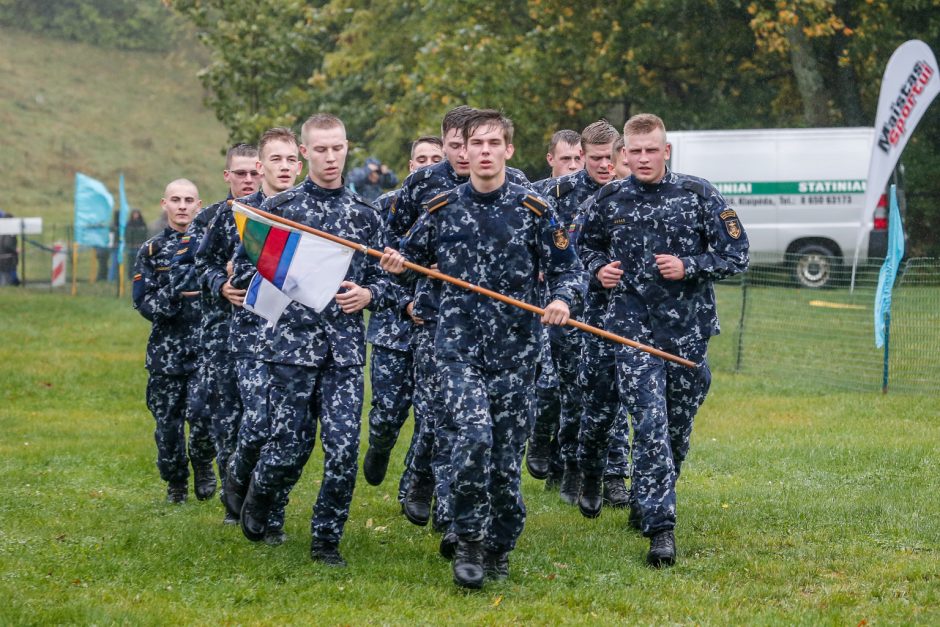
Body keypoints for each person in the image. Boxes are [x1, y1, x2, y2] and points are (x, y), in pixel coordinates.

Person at [381, 109, 586, 589]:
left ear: (508, 151)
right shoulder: (441, 208)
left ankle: (499, 545)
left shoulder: (535, 210)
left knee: (503, 460)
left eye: (495, 143)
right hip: (457, 349)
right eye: (477, 144)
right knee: (473, 437)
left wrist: (560, 299)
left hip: (516, 355)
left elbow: (570, 270)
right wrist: (396, 264)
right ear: (464, 151)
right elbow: (407, 262)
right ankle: (468, 540)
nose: (486, 151)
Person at [577, 113, 749, 567]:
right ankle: (661, 531)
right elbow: (577, 251)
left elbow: (737, 253)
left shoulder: (698, 194)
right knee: (649, 425)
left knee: (675, 431)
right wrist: (598, 270)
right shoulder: (608, 198)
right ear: (623, 155)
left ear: (666, 151)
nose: (643, 158)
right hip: (631, 331)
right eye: (634, 151)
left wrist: (690, 265)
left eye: (651, 150)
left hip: (686, 333)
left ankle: (648, 499)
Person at [225, 113, 388, 567]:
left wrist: (370, 292)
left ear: (347, 147)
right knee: (287, 447)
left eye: (337, 148)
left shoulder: (366, 214)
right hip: (291, 349)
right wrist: (283, 275)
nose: (330, 157)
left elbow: (387, 280)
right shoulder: (278, 212)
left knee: (341, 450)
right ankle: (260, 495)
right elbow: (242, 271)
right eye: (320, 149)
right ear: (304, 153)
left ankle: (326, 539)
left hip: (345, 353)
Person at [198, 128, 302, 543]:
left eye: (290, 159)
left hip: (297, 340)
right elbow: (203, 263)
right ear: (262, 167)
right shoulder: (233, 215)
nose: (283, 168)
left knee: (287, 431)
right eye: (274, 160)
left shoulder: (308, 211)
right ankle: (236, 485)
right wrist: (218, 286)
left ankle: (270, 515)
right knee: (256, 424)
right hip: (250, 338)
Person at [527, 120, 618, 506]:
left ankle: (598, 474)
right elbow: (521, 219)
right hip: (564, 305)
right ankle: (561, 458)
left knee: (605, 392)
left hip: (612, 308)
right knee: (564, 389)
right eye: (593, 158)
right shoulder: (556, 192)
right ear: (581, 156)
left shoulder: (627, 195)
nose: (603, 165)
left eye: (609, 157)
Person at [169, 143, 262, 509]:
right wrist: (219, 284)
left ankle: (257, 492)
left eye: (254, 172)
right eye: (241, 173)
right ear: (228, 176)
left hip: (267, 334)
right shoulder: (209, 219)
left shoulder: (278, 214)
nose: (249, 179)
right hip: (221, 332)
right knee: (223, 416)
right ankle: (232, 496)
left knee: (260, 418)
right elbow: (190, 268)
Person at [362, 135, 444, 505]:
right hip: (394, 329)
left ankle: (412, 485)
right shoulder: (387, 206)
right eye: (421, 158)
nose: (428, 164)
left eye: (435, 157)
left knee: (431, 414)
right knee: (388, 412)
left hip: (437, 330)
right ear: (411, 166)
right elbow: (375, 269)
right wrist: (404, 303)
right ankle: (379, 446)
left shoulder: (455, 208)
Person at [132, 179, 214, 503]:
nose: (182, 206)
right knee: (167, 425)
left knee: (204, 414)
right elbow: (143, 301)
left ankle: (204, 462)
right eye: (176, 199)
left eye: (189, 200)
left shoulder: (212, 245)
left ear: (199, 204)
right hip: (167, 351)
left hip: (206, 348)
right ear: (164, 204)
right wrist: (175, 295)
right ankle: (176, 483)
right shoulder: (152, 250)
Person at [125, 209, 149, 278]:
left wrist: (143, 244)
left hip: (140, 246)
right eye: (134, 214)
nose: (135, 215)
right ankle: (130, 276)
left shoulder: (142, 224)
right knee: (131, 262)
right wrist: (129, 243)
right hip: (131, 246)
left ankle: (138, 276)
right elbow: (127, 235)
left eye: (137, 214)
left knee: (139, 262)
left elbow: (145, 235)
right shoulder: (129, 224)